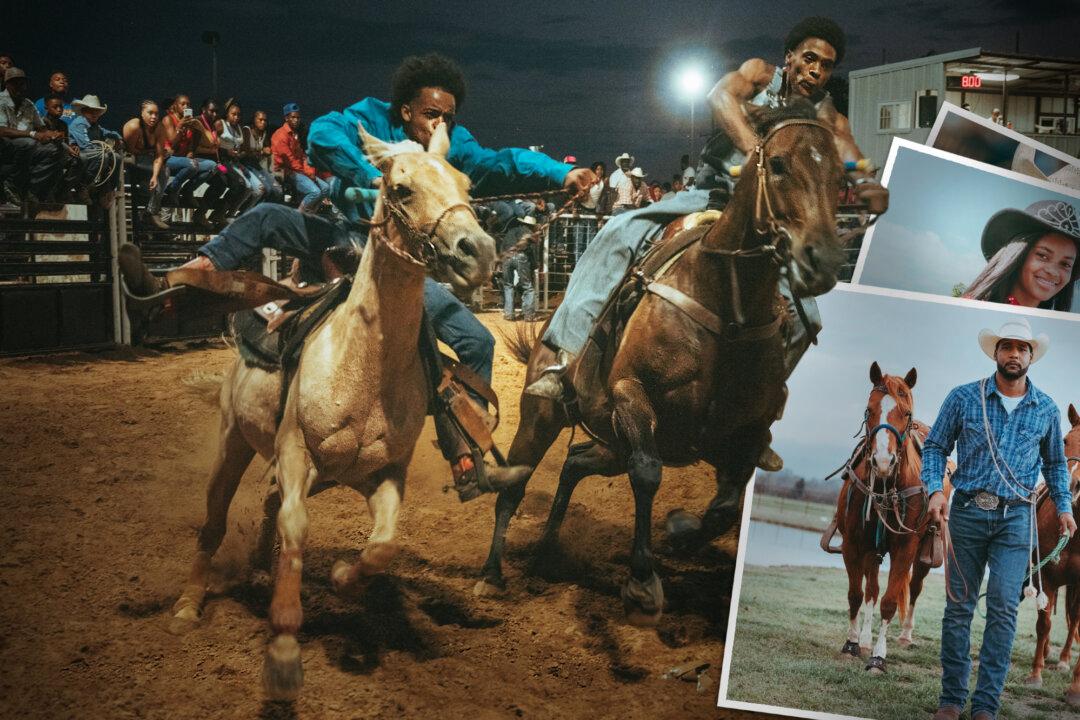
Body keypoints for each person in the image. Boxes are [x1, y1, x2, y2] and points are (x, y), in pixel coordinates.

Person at [119, 53, 595, 501]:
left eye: (448, 116)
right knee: (265, 215)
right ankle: (169, 288)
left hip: (397, 265)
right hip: (343, 237)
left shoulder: (454, 146)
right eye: (432, 112)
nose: (439, 124)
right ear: (405, 109)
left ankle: (465, 456)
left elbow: (501, 163)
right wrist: (373, 173)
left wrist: (559, 173)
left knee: (478, 343)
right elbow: (324, 133)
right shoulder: (368, 117)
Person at [524, 16, 888, 472]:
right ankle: (563, 361)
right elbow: (720, 95)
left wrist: (869, 180)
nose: (815, 71)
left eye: (826, 66)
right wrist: (760, 151)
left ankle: (755, 418)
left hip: (767, 222)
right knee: (618, 233)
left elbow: (851, 151)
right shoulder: (758, 74)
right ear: (790, 56)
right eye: (809, 58)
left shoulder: (828, 116)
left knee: (804, 320)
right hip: (712, 195)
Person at [923, 317, 1075, 720]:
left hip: (1016, 520)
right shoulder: (963, 398)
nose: (1014, 354)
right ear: (996, 352)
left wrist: (1063, 507)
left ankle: (985, 706)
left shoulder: (1046, 408)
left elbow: (1056, 466)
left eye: (1022, 348)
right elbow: (935, 447)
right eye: (1006, 346)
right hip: (969, 513)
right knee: (959, 608)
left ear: (1031, 356)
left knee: (1005, 608)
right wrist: (936, 490)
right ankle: (952, 700)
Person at [963, 200, 1079, 312]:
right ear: (1018, 255)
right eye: (1043, 256)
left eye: (1065, 264)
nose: (1053, 272)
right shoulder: (970, 309)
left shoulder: (1053, 328)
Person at [0, 67, 66, 210]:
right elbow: (2, 130)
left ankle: (32, 190)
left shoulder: (28, 104)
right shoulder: (0, 100)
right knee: (28, 143)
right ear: (7, 84)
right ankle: (11, 184)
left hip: (26, 148)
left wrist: (52, 134)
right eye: (16, 83)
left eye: (22, 83)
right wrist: (32, 134)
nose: (20, 87)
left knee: (55, 150)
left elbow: (42, 129)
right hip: (4, 147)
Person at [161, 94, 221, 228]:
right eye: (182, 104)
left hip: (186, 160)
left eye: (188, 104)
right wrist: (180, 128)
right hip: (169, 158)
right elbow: (171, 143)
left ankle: (188, 190)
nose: (186, 107)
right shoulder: (168, 120)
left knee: (212, 166)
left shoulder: (192, 122)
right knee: (192, 165)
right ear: (175, 105)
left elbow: (207, 143)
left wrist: (198, 126)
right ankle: (173, 189)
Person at [122, 100, 170, 228]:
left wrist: (154, 175)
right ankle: (148, 213)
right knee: (156, 177)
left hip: (149, 159)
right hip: (132, 159)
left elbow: (159, 155)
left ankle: (151, 211)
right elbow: (131, 150)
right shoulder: (133, 126)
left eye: (156, 114)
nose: (153, 117)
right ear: (142, 113)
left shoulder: (159, 128)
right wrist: (149, 151)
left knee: (164, 172)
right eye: (150, 113)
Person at [68, 94, 123, 206]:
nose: (94, 114)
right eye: (90, 111)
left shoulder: (95, 125)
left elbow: (107, 132)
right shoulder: (79, 123)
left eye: (96, 111)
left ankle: (108, 189)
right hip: (80, 153)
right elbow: (85, 145)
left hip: (91, 153)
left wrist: (118, 137)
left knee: (117, 157)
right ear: (83, 111)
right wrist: (105, 149)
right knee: (102, 155)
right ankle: (83, 186)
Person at [272, 103, 327, 213]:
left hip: (299, 170)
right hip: (286, 171)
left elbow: (301, 156)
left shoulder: (294, 134)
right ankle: (298, 215)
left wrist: (309, 170)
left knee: (326, 188)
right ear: (286, 118)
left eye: (298, 117)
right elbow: (290, 161)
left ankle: (310, 214)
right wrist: (308, 174)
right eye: (293, 117)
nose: (296, 120)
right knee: (315, 192)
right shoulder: (280, 135)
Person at [216, 100, 265, 209]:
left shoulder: (239, 128)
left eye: (238, 115)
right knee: (243, 185)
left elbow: (243, 149)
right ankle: (221, 211)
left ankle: (235, 213)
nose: (236, 117)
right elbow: (213, 144)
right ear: (227, 113)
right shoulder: (220, 124)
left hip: (235, 161)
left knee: (257, 188)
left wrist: (241, 153)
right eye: (233, 114)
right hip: (223, 160)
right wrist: (225, 151)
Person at [501, 215, 538, 321]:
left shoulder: (510, 231)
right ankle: (529, 315)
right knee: (528, 287)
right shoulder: (529, 233)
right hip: (521, 256)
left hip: (506, 256)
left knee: (508, 285)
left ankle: (509, 314)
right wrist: (535, 265)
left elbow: (503, 245)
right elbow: (531, 250)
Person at [241, 109, 280, 203]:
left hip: (256, 165)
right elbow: (246, 151)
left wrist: (267, 151)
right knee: (265, 188)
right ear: (254, 120)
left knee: (277, 189)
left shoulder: (264, 133)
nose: (263, 122)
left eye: (265, 120)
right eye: (260, 120)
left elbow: (268, 150)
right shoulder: (247, 130)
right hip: (245, 164)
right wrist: (262, 151)